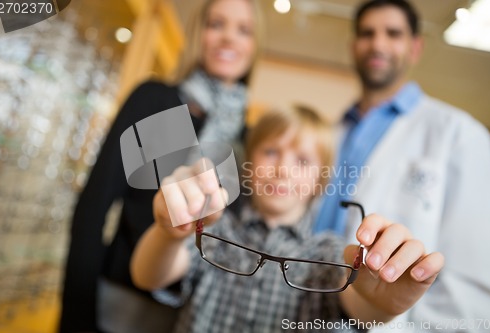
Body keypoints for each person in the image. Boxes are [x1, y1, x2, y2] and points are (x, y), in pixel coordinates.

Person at [131, 106, 444, 333]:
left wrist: (383, 307)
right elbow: (148, 276)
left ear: (320, 181)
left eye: (303, 160)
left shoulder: (329, 255)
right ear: (249, 162)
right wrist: (169, 232)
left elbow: (361, 306)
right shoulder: (216, 231)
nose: (283, 170)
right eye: (270, 152)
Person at [59, 0, 263, 332]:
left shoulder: (248, 139)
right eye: (216, 24)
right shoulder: (157, 102)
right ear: (199, 34)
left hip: (194, 317)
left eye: (244, 30)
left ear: (255, 47)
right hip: (120, 305)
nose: (229, 38)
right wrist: (77, 315)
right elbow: (94, 206)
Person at [313, 0, 490, 330]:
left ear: (415, 47)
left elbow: (470, 281)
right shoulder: (329, 133)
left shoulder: (460, 135)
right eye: (367, 34)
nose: (378, 44)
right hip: (301, 310)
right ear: (354, 46)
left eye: (393, 34)